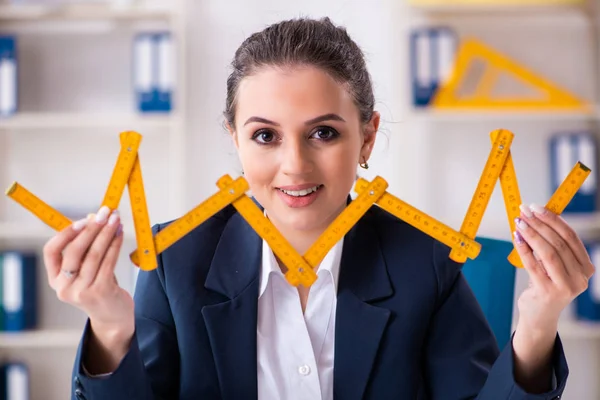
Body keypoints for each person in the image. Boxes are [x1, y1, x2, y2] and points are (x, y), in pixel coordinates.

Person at [42, 17, 594, 400]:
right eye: (265, 136)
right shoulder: (174, 260)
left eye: (324, 133)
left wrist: (539, 321)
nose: (295, 166)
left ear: (368, 138)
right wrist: (111, 327)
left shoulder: (425, 262)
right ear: (234, 139)